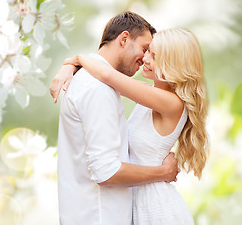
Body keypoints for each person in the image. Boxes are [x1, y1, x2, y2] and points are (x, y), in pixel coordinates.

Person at [53, 27, 209, 224]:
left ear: (173, 64)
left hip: (157, 209)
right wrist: (70, 66)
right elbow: (106, 76)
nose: (145, 59)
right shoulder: (151, 94)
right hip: (137, 203)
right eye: (147, 51)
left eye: (154, 55)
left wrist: (75, 59)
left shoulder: (171, 103)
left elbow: (107, 76)